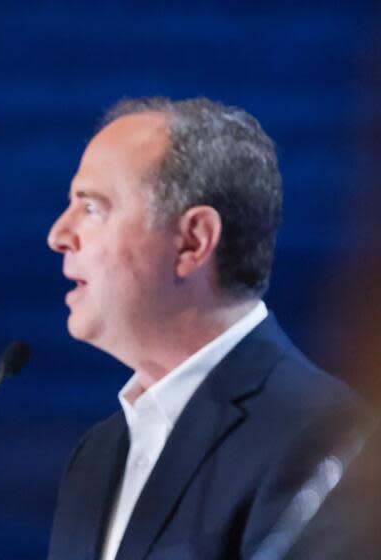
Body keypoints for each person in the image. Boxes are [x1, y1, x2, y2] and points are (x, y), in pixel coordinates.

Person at [45, 97, 370, 560]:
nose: (58, 233)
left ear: (193, 240)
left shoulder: (330, 437)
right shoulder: (95, 457)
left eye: (92, 207)